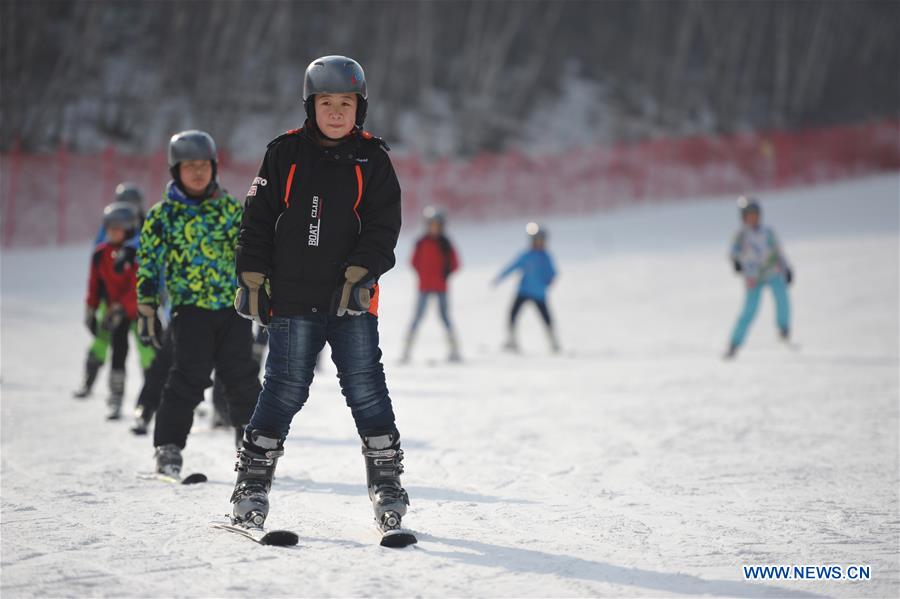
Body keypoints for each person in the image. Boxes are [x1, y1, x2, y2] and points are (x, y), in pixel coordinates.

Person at [232, 55, 411, 539]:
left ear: (360, 108)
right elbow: (257, 220)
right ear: (311, 107)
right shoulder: (284, 153)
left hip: (351, 300)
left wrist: (364, 270)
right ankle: (251, 483)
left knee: (365, 386)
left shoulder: (373, 159)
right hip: (291, 298)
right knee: (284, 389)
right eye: (326, 103)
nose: (336, 112)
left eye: (346, 103)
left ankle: (387, 484)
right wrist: (250, 275)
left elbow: (384, 225)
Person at [136, 130, 261, 477]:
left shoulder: (229, 209)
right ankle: (168, 446)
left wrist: (261, 290)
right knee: (188, 376)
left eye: (203, 165)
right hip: (190, 311)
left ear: (214, 167)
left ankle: (253, 446)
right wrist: (147, 305)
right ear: (176, 170)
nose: (197, 172)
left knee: (242, 377)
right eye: (189, 166)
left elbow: (251, 253)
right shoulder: (163, 216)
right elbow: (148, 263)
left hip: (233, 307)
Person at [74, 183, 155, 398]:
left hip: (138, 300)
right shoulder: (108, 231)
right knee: (102, 338)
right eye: (123, 204)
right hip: (109, 298)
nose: (127, 210)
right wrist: (93, 306)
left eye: (132, 205)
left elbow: (150, 269)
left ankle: (155, 390)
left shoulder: (146, 228)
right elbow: (99, 266)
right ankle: (89, 380)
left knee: (147, 345)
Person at [83, 201, 141, 419]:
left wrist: (122, 307)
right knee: (113, 349)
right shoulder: (100, 254)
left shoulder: (135, 253)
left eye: (119, 228)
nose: (113, 232)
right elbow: (94, 284)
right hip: (111, 310)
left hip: (135, 310)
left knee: (148, 352)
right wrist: (91, 308)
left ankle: (155, 396)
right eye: (110, 227)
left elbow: (138, 286)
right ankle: (114, 396)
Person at [725, 196, 793, 358]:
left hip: (772, 271)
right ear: (743, 217)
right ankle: (734, 343)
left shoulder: (768, 233)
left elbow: (778, 252)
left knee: (782, 298)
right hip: (753, 276)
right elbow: (733, 252)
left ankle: (783, 328)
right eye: (749, 215)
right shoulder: (741, 235)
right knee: (750, 310)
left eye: (755, 215)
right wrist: (736, 262)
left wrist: (787, 269)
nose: (752, 218)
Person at [401, 206, 461, 363]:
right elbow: (413, 262)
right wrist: (424, 275)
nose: (434, 228)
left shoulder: (446, 244)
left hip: (441, 287)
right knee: (417, 318)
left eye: (437, 224)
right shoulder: (421, 243)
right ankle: (406, 351)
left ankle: (454, 350)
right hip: (424, 287)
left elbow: (455, 263)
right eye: (431, 224)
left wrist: (444, 274)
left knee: (445, 318)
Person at [493, 222, 560, 353]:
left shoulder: (545, 257)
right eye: (536, 240)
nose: (538, 243)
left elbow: (553, 273)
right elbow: (512, 266)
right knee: (512, 315)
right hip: (523, 291)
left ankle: (553, 342)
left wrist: (548, 281)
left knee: (546, 318)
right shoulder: (526, 255)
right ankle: (512, 340)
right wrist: (500, 277)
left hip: (539, 293)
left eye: (541, 240)